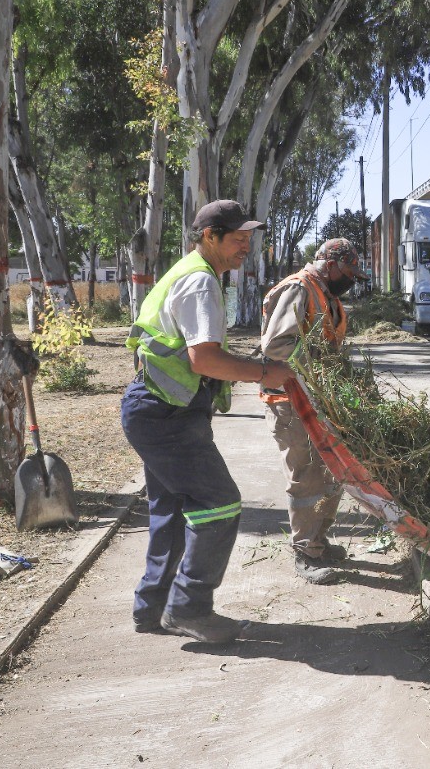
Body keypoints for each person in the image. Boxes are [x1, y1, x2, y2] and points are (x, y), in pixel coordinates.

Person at [122, 199, 295, 645]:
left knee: (172, 510)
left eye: (249, 239)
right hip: (167, 415)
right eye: (237, 239)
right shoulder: (200, 281)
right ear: (208, 237)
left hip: (156, 408)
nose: (245, 247)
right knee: (220, 504)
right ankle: (190, 608)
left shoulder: (193, 272)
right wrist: (264, 371)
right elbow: (205, 359)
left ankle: (153, 607)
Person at [259, 237, 368, 584]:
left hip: (318, 400)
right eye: (350, 272)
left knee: (332, 471)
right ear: (332, 264)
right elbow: (276, 346)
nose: (352, 280)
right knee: (305, 475)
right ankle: (305, 552)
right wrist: (321, 368)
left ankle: (319, 540)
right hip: (290, 401)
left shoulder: (327, 295)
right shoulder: (299, 289)